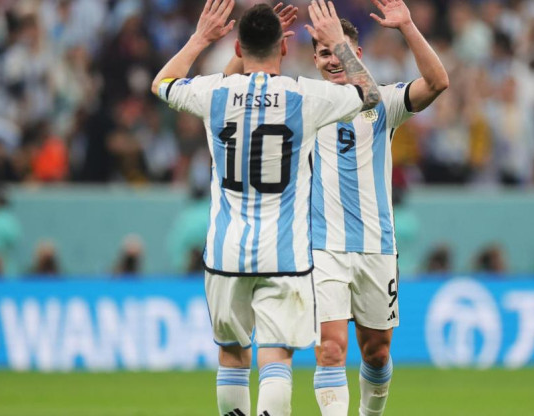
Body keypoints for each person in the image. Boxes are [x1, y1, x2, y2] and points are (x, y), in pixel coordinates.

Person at [151, 1, 380, 415]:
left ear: (237, 48)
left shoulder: (213, 91)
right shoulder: (306, 96)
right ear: (286, 48)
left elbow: (163, 82)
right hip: (285, 255)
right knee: (275, 359)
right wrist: (335, 44)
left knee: (233, 357)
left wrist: (201, 37)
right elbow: (369, 94)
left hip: (225, 252)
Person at [306, 1, 448, 414]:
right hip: (323, 247)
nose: (333, 59)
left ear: (357, 54)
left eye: (339, 50)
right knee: (331, 348)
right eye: (325, 51)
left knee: (377, 353)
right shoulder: (303, 102)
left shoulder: (384, 103)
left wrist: (406, 26)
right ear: (314, 59)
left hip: (376, 247)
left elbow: (438, 81)